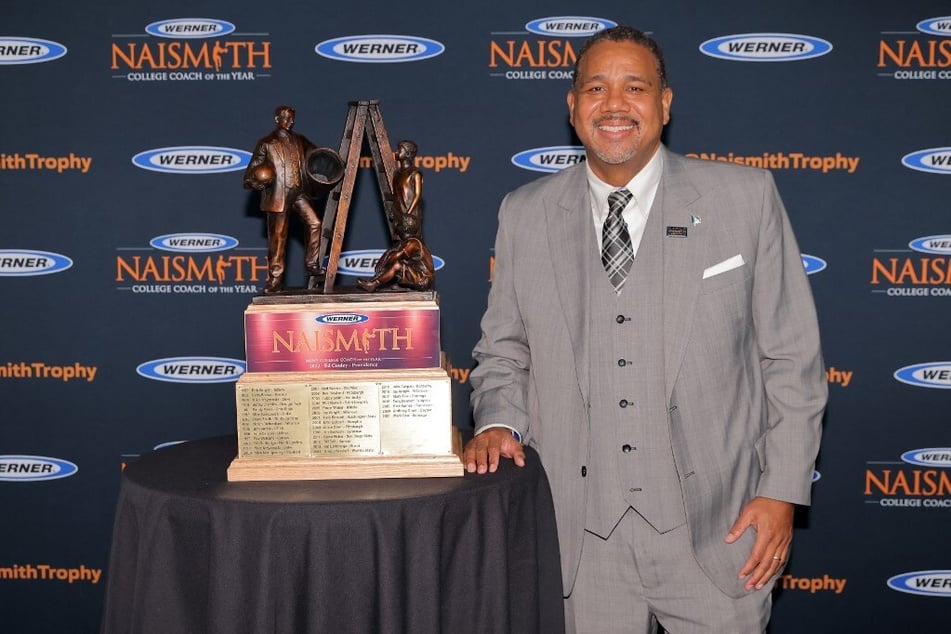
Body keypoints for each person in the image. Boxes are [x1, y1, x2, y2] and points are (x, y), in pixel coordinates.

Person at [463, 26, 826, 633]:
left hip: (721, 535)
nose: (614, 104)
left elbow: (791, 360)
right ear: (573, 107)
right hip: (580, 542)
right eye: (596, 88)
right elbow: (503, 349)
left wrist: (783, 491)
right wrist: (499, 419)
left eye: (635, 87)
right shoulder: (523, 212)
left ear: (664, 103)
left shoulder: (745, 197)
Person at [244, 105, 324, 294]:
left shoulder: (300, 140)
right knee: (278, 238)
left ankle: (311, 264)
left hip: (298, 193)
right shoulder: (267, 143)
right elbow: (248, 176)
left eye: (292, 118)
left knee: (315, 223)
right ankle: (275, 279)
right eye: (286, 118)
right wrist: (258, 183)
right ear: (277, 119)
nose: (290, 121)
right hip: (278, 196)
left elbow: (318, 155)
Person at [358, 140, 435, 292]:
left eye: (400, 150)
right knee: (396, 258)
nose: (397, 152)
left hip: (422, 280)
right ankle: (392, 281)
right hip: (402, 214)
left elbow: (417, 194)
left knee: (398, 261)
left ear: (408, 153)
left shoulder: (413, 243)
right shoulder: (397, 174)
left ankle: (375, 284)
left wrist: (408, 213)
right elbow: (391, 255)